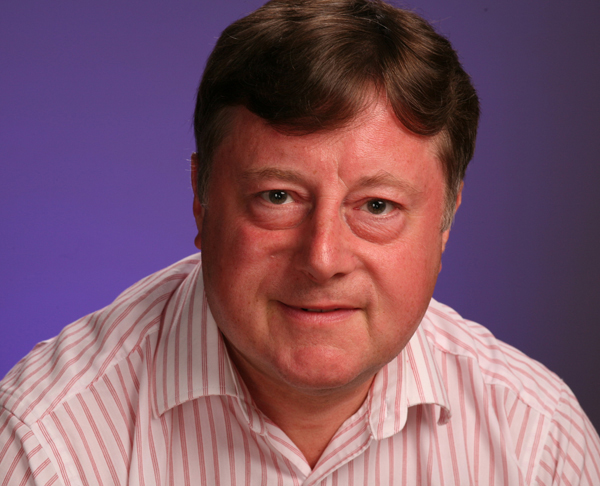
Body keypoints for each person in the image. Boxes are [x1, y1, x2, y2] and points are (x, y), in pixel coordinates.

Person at [1, 0, 599, 484]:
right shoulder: (42, 446)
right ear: (200, 199)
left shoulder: (538, 445)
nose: (322, 259)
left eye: (377, 206)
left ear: (445, 221)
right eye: (278, 197)